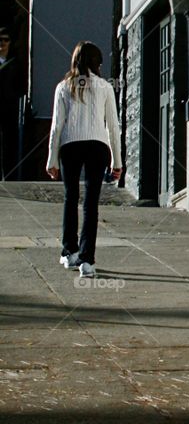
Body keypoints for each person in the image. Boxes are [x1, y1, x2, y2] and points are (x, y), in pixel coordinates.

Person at [46, 41, 122, 278]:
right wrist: (117, 161)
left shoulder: (63, 87)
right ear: (97, 63)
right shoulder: (105, 87)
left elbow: (56, 126)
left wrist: (52, 159)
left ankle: (69, 252)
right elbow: (113, 127)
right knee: (91, 203)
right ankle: (87, 261)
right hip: (98, 146)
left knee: (71, 198)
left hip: (70, 146)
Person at [0, 28, 23, 180]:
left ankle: (8, 178)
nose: (2, 43)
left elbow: (20, 87)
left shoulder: (16, 64)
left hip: (9, 112)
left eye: (5, 39)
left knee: (8, 147)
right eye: (0, 39)